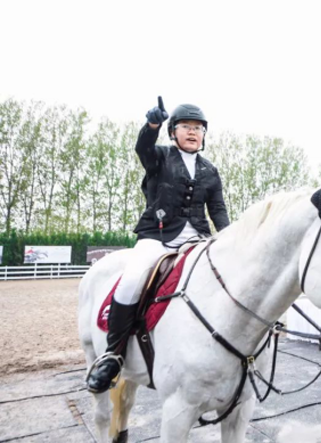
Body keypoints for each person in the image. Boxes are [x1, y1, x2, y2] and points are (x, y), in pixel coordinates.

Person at [87, 98, 230, 393]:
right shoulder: (160, 157)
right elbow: (143, 149)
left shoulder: (210, 171)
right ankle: (113, 354)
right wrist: (152, 125)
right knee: (131, 281)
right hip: (158, 237)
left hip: (197, 240)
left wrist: (230, 240)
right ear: (173, 132)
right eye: (186, 127)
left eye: (198, 128)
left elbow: (217, 210)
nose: (193, 132)